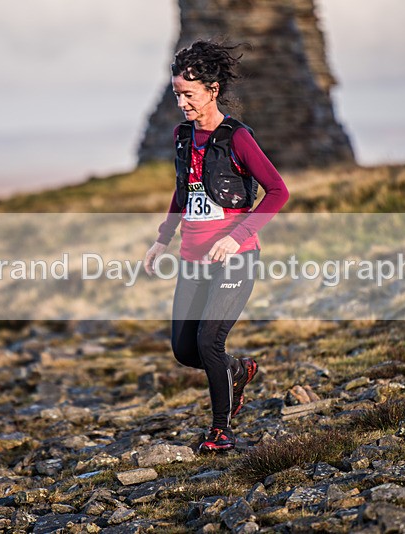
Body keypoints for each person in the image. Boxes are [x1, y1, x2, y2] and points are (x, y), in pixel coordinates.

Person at [144, 40, 289, 453]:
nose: (182, 103)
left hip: (236, 258)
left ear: (211, 89)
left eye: (188, 94)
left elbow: (278, 191)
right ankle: (238, 372)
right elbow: (183, 193)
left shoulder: (238, 138)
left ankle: (221, 431)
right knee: (185, 351)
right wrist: (161, 241)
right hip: (192, 260)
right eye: (176, 94)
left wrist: (236, 236)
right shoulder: (181, 136)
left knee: (210, 342)